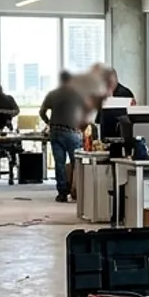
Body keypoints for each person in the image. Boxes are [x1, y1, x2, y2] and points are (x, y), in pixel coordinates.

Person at [38, 70, 90, 204]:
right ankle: (77, 192)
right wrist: (82, 128)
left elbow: (42, 112)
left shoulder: (52, 94)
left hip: (55, 131)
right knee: (76, 163)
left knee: (59, 163)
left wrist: (49, 122)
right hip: (72, 132)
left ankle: (62, 193)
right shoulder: (78, 94)